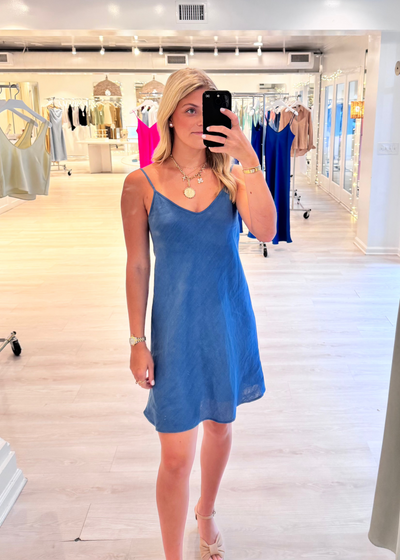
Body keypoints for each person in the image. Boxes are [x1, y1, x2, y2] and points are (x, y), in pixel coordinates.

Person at [120, 67, 277, 560]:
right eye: (189, 109)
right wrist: (136, 341)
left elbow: (267, 231)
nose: (198, 120)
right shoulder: (139, 183)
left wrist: (249, 157)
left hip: (226, 322)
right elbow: (138, 264)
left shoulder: (234, 178)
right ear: (169, 116)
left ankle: (205, 511)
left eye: (206, 109)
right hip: (174, 331)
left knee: (220, 426)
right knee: (174, 457)